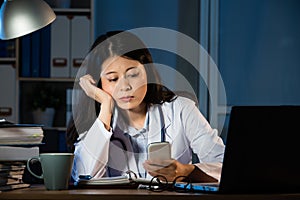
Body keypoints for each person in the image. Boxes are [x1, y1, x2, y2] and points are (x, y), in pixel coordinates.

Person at [66, 30, 225, 183]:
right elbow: (83, 176)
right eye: (113, 79)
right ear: (99, 84)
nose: (125, 86)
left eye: (133, 75)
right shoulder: (95, 121)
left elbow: (225, 166)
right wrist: (106, 106)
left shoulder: (181, 109)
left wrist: (185, 172)